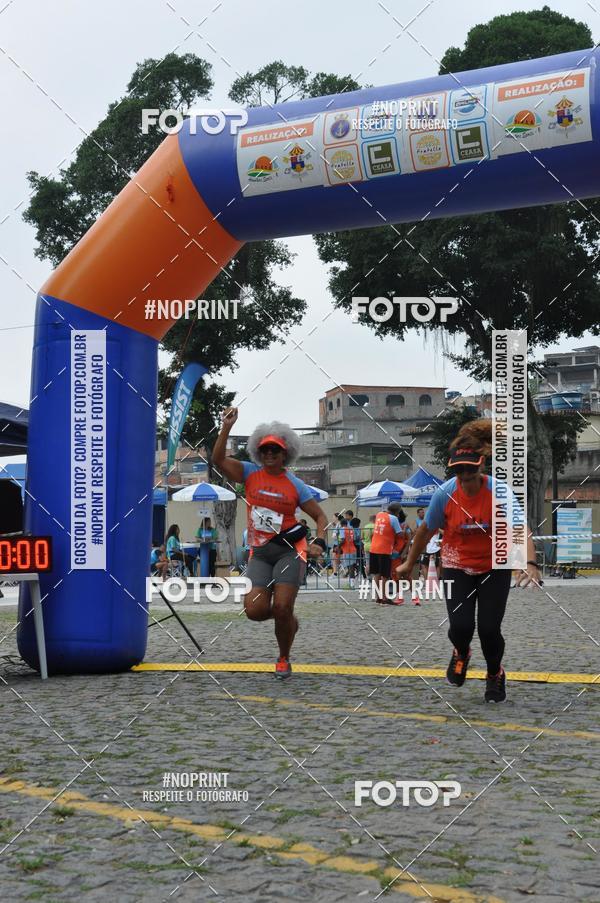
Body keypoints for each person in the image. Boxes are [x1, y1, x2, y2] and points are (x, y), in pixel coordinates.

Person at [395, 419, 541, 703]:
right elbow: (425, 532)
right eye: (458, 470)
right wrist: (408, 563)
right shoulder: (445, 493)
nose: (463, 475)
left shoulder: (499, 493)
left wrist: (529, 563)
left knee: (489, 629)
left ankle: (494, 674)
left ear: (481, 466)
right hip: (456, 566)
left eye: (469, 469)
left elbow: (519, 530)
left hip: (493, 567)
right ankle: (461, 653)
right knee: (460, 627)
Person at [212, 409, 328, 678]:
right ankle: (289, 624)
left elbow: (320, 516)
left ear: (285, 453)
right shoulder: (250, 474)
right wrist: (226, 427)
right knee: (254, 610)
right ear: (258, 453)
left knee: (282, 607)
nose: (270, 455)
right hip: (261, 554)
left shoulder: (295, 484)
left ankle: (283, 658)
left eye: (275, 450)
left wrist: (319, 541)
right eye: (265, 451)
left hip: (290, 552)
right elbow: (218, 459)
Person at [369, 502, 405, 604]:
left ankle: (377, 596)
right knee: (385, 574)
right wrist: (405, 530)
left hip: (373, 547)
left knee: (377, 573)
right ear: (397, 512)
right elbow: (400, 534)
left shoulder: (379, 514)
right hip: (384, 549)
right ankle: (384, 597)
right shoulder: (394, 519)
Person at [390, 512, 413, 605]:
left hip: (399, 554)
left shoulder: (402, 527)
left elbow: (409, 538)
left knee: (402, 575)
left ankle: (413, 596)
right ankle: (402, 596)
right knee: (398, 576)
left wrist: (404, 552)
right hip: (397, 554)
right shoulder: (401, 526)